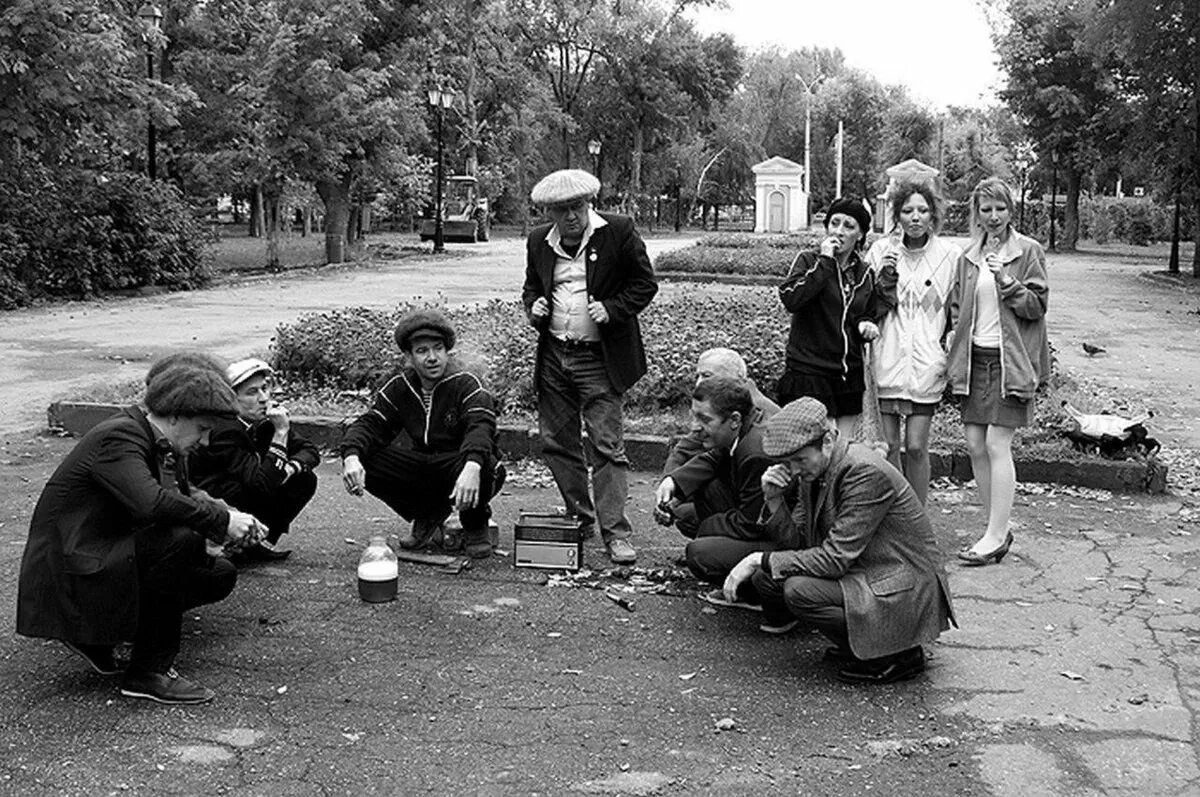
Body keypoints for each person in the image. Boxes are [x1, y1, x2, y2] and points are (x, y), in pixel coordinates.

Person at [16, 365, 265, 705]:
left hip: (98, 556)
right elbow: (151, 503)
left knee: (217, 573)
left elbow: (181, 495)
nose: (205, 441)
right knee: (180, 541)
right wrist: (220, 521)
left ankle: (100, 635)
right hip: (67, 575)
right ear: (176, 416)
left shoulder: (160, 442)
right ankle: (148, 672)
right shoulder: (119, 436)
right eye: (203, 429)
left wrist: (229, 518)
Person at [723, 397, 956, 684]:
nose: (794, 470)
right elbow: (798, 545)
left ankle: (899, 654)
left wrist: (759, 558)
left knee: (798, 590)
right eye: (787, 462)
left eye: (799, 460)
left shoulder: (863, 471)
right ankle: (862, 645)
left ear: (828, 440)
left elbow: (833, 559)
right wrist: (773, 500)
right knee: (769, 579)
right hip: (866, 567)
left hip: (903, 584)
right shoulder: (815, 470)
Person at [521, 169, 658, 564]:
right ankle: (578, 518)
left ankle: (616, 533)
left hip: (599, 358)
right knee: (558, 442)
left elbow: (645, 283)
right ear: (548, 212)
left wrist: (612, 309)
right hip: (554, 356)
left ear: (589, 204)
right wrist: (535, 306)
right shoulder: (538, 242)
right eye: (561, 210)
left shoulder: (618, 231)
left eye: (576, 207)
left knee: (607, 446)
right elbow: (532, 285)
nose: (570, 217)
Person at [340, 309, 503, 559]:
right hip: (425, 465)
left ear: (447, 350)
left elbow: (480, 426)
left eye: (438, 348)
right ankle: (427, 514)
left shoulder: (466, 383)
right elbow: (371, 423)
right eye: (422, 351)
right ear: (408, 357)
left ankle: (475, 522)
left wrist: (472, 466)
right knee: (367, 455)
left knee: (484, 461)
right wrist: (351, 456)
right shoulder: (400, 387)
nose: (432, 358)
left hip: (459, 463)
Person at [946, 177, 1049, 566]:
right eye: (985, 209)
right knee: (975, 444)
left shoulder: (1027, 251)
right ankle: (998, 529)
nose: (993, 217)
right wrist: (953, 339)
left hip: (1011, 362)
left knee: (996, 444)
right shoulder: (968, 255)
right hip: (975, 361)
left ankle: (992, 537)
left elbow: (1037, 306)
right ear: (977, 212)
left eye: (1000, 208)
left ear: (1011, 210)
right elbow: (957, 305)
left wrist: (1008, 283)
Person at [658, 377, 795, 608]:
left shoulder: (756, 452)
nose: (695, 426)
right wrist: (673, 482)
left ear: (733, 420)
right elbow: (714, 457)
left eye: (704, 419)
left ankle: (756, 594)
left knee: (699, 554)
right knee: (689, 510)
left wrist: (705, 528)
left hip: (781, 539)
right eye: (694, 416)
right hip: (755, 518)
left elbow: (751, 525)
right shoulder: (744, 426)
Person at [864, 181, 961, 504]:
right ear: (897, 215)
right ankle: (896, 517)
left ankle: (917, 517)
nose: (915, 217)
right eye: (907, 211)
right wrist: (884, 276)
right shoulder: (881, 251)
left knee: (917, 446)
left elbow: (957, 308)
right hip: (887, 359)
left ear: (933, 214)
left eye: (922, 210)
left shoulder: (949, 255)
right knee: (888, 447)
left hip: (926, 363)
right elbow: (867, 305)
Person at [778, 198, 896, 438]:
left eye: (849, 226)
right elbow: (792, 299)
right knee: (818, 443)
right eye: (835, 223)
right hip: (810, 371)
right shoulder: (809, 261)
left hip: (847, 374)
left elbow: (865, 312)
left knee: (844, 447)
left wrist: (866, 324)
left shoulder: (864, 274)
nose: (839, 231)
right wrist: (825, 262)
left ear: (861, 234)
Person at [189, 358, 320, 561]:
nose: (263, 398)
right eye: (252, 392)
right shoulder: (225, 429)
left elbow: (309, 450)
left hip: (249, 487)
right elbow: (261, 484)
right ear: (231, 399)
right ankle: (228, 543)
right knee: (255, 485)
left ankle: (257, 542)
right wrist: (281, 433)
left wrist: (290, 468)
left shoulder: (263, 421)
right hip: (214, 499)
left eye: (264, 389)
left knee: (304, 479)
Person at [655, 348, 780, 537]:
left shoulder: (761, 415)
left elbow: (752, 519)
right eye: (697, 375)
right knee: (687, 509)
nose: (699, 383)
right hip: (740, 492)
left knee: (695, 532)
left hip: (758, 509)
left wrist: (705, 526)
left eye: (707, 376)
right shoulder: (718, 403)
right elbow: (686, 450)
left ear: (737, 378)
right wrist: (670, 486)